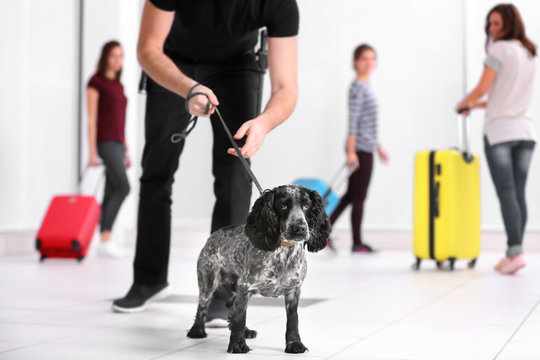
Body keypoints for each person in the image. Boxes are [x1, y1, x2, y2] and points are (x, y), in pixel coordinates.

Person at [112, 0, 299, 322]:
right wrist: (188, 87)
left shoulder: (278, 3)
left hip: (238, 67)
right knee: (156, 173)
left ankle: (222, 292)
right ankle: (148, 280)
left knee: (234, 177)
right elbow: (148, 50)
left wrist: (264, 122)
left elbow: (286, 86)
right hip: (171, 64)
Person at [456, 4, 536, 275]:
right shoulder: (529, 51)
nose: (491, 29)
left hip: (500, 133)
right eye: (489, 24)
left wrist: (463, 102)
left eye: (496, 24)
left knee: (507, 193)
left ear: (510, 24)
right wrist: (477, 106)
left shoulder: (498, 50)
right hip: (524, 132)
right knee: (518, 193)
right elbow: (505, 95)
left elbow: (482, 88)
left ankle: (515, 252)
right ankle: (515, 251)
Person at [327, 44, 389, 254]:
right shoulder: (357, 87)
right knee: (358, 197)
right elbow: (353, 122)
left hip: (366, 146)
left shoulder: (366, 85)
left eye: (372, 58)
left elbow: (368, 122)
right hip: (360, 149)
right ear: (355, 61)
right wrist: (351, 151)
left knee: (351, 195)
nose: (368, 63)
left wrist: (378, 146)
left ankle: (324, 231)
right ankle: (357, 243)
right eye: (364, 58)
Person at [87, 40, 131, 258]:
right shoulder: (96, 83)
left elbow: (121, 121)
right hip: (105, 142)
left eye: (121, 56)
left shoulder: (119, 86)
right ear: (105, 57)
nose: (117, 60)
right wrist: (92, 152)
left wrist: (127, 150)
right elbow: (92, 119)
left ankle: (104, 240)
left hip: (119, 144)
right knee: (123, 187)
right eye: (113, 55)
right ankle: (104, 237)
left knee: (112, 190)